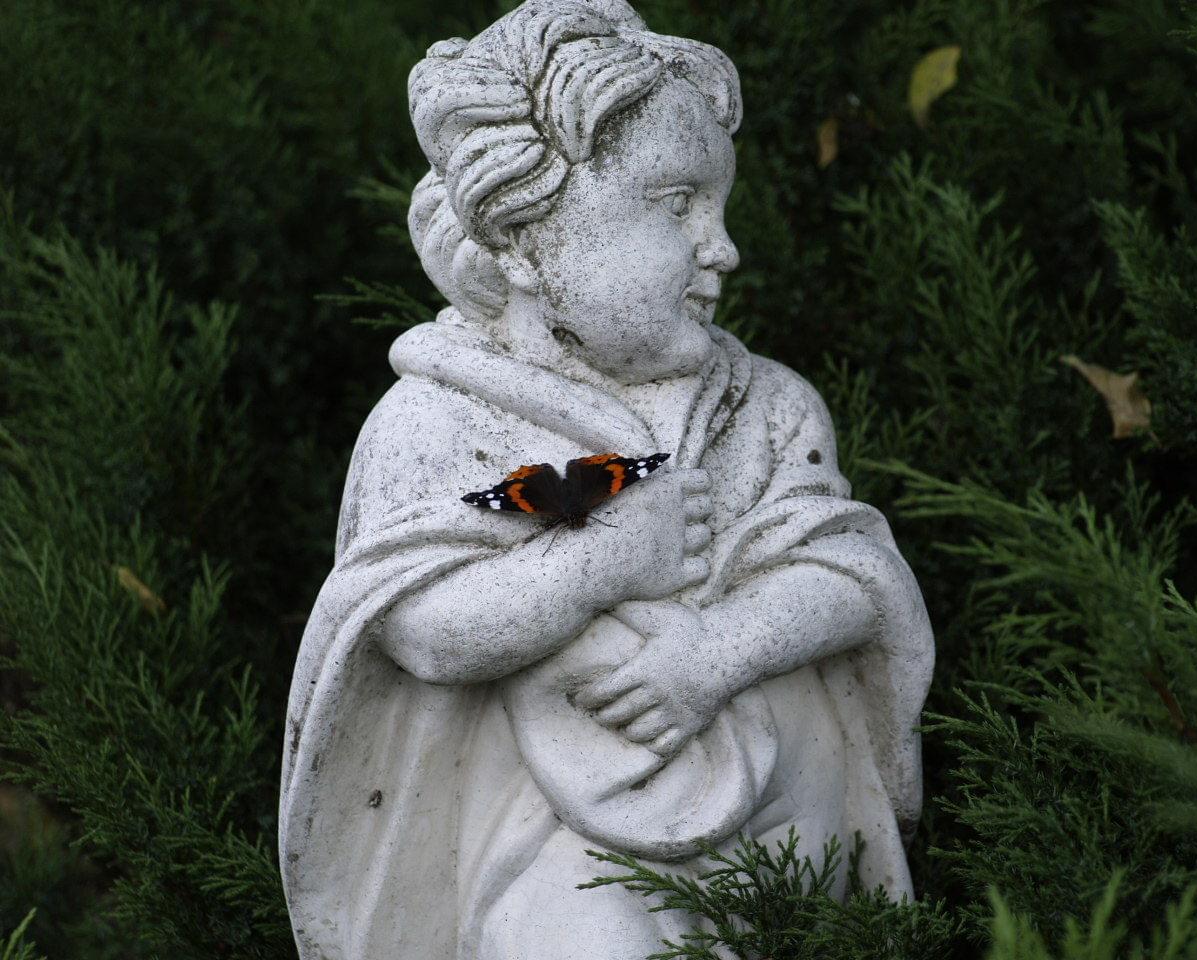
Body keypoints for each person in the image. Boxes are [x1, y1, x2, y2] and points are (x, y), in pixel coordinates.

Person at [278, 3, 934, 957]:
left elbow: (851, 577)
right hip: (561, 857)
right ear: (521, 240)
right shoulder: (442, 422)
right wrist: (601, 561)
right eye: (675, 204)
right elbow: (420, 627)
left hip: (790, 831)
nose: (722, 247)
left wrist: (719, 651)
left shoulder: (765, 407)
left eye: (719, 207)